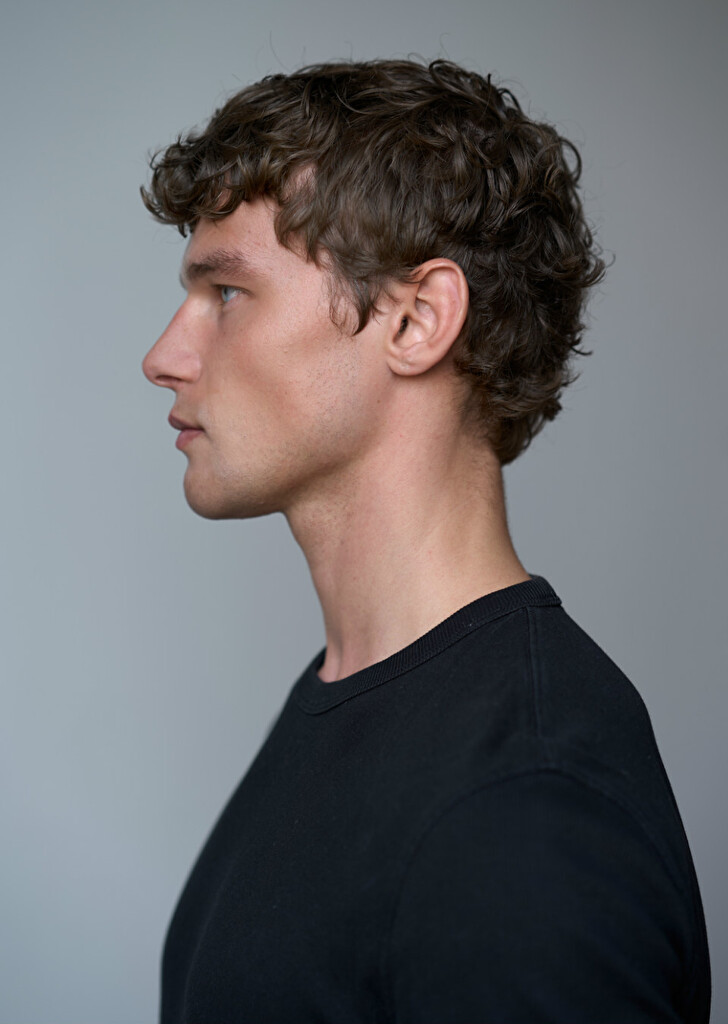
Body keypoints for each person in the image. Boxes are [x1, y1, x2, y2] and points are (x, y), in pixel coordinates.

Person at [141, 59, 710, 1023]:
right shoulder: (357, 692)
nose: (164, 357)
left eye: (228, 292)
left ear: (416, 319)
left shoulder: (525, 813)